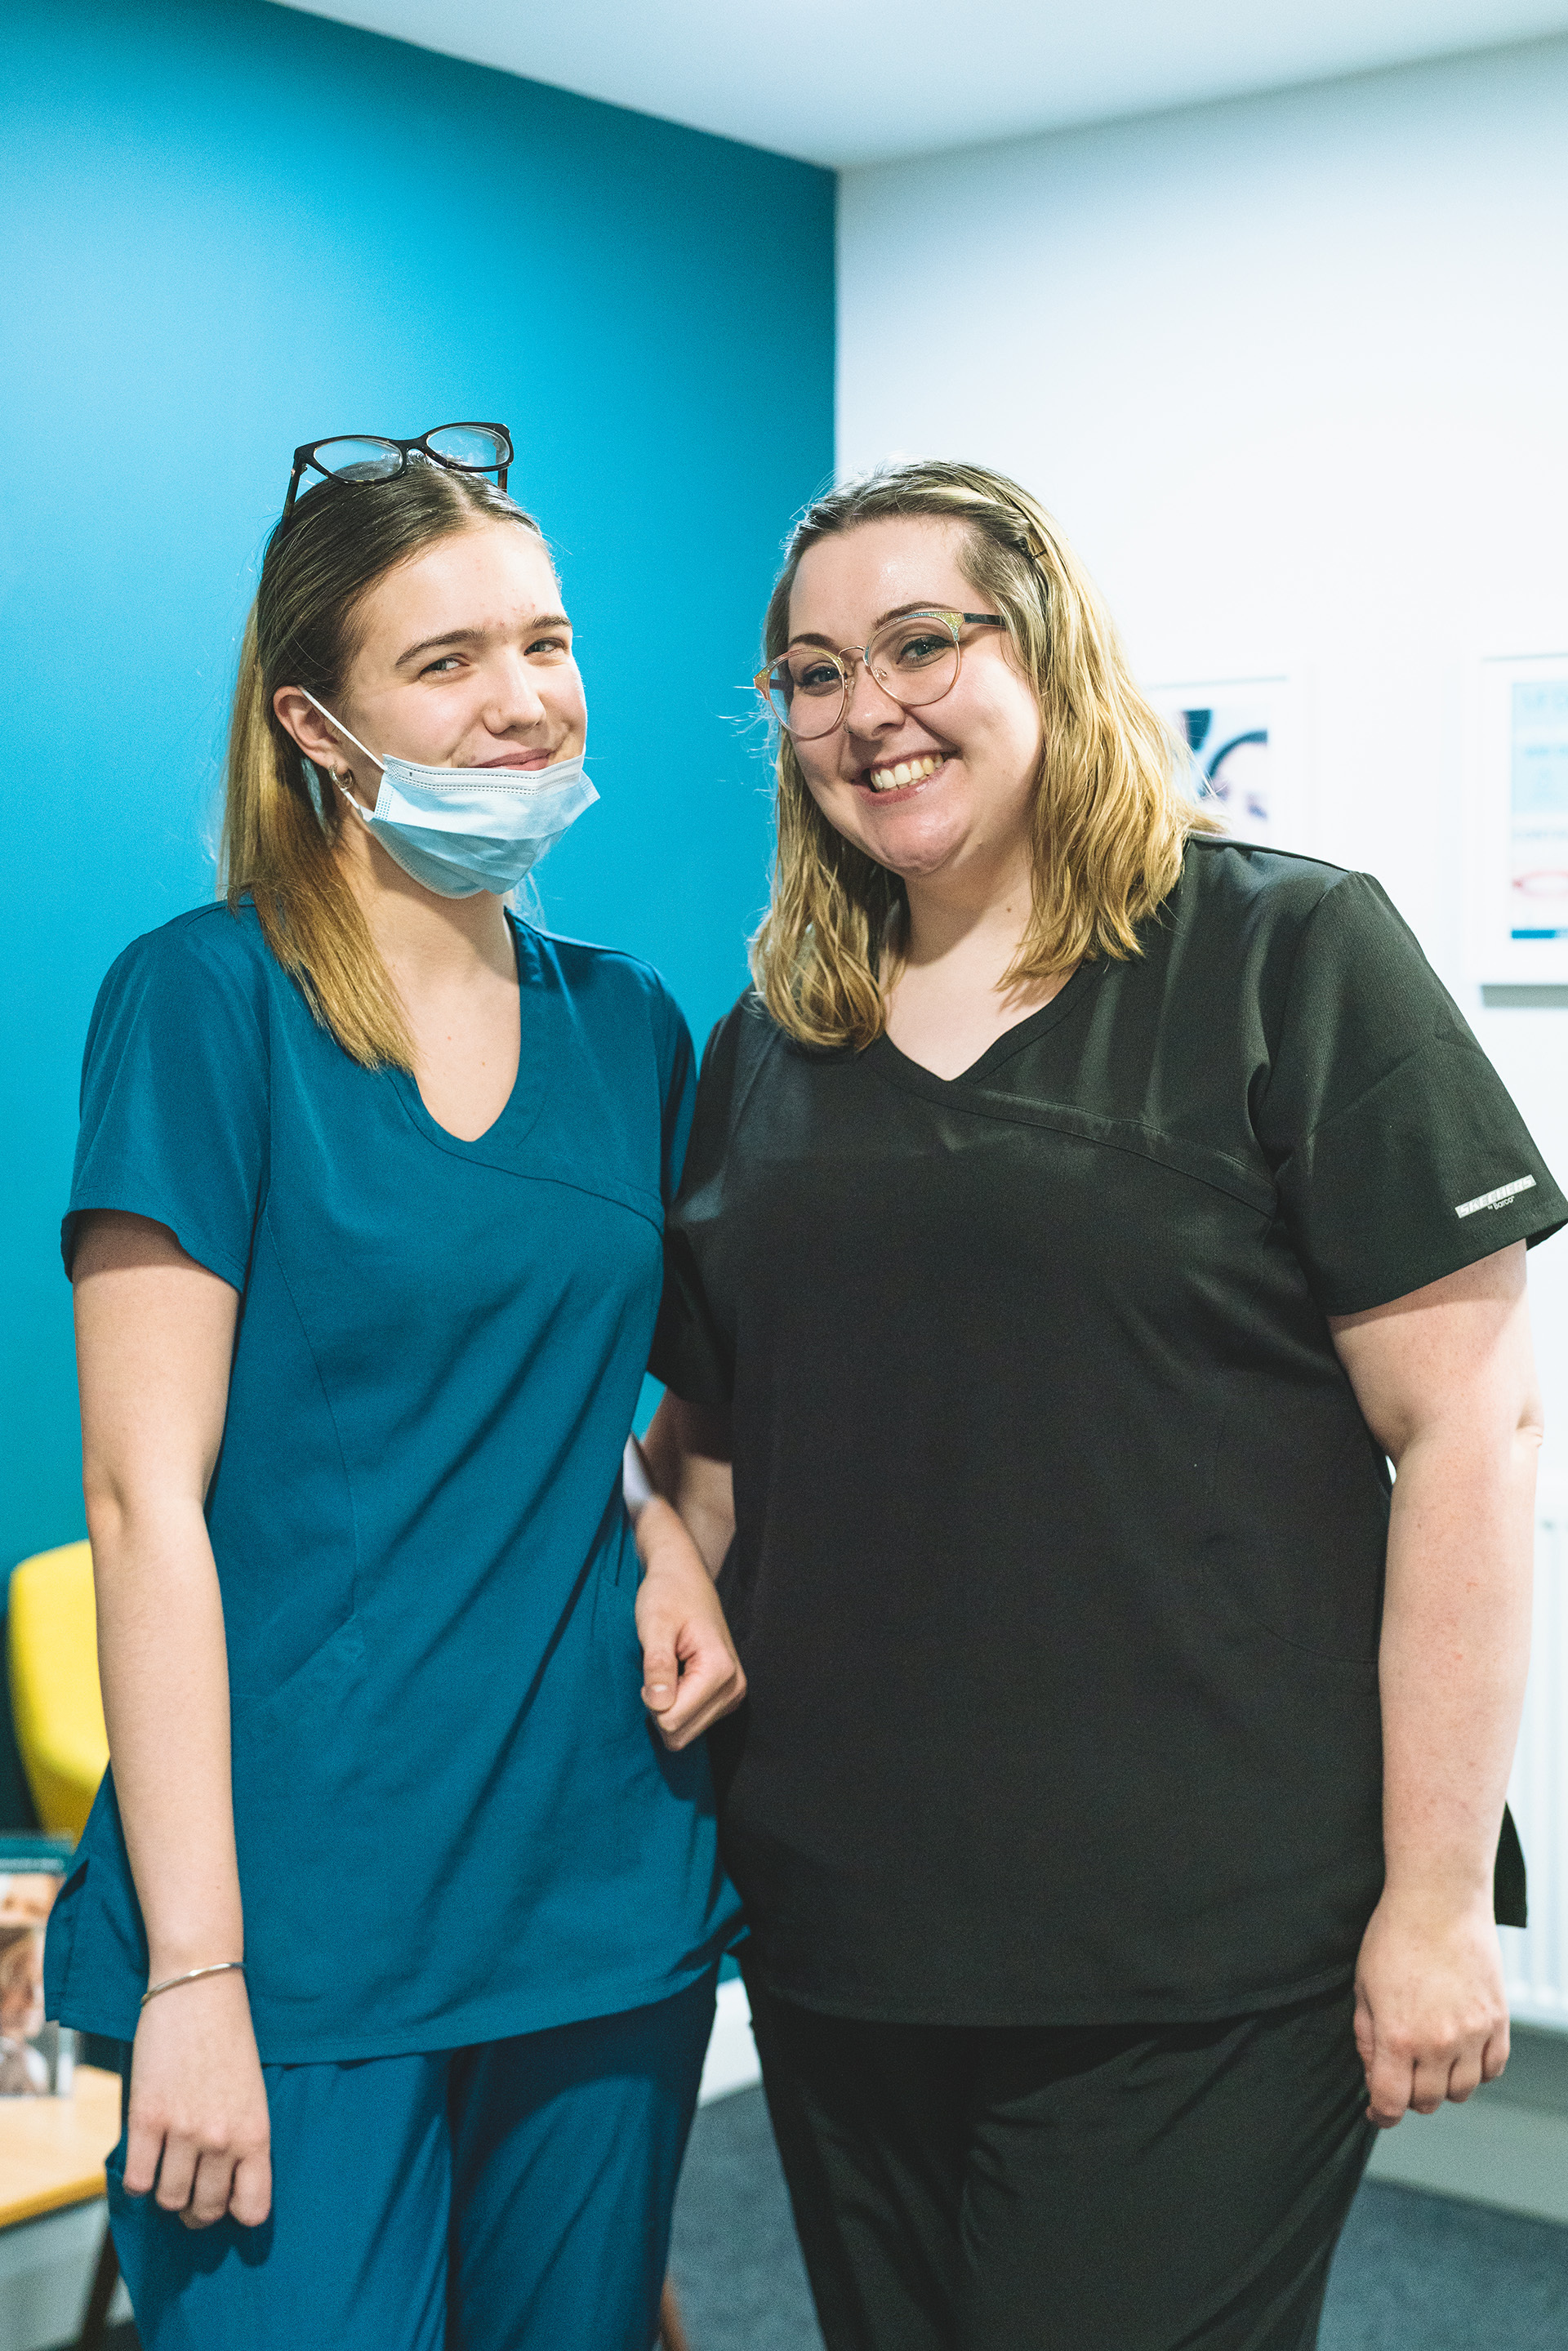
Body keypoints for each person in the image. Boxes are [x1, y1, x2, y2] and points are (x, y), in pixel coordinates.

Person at [639, 459, 1562, 2350]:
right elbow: (716, 1466)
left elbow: (1471, 1434)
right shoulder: (766, 1044)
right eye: (811, 676)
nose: (865, 710)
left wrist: (1432, 1897)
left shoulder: (1285, 955)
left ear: (1045, 646)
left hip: (1201, 1950)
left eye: (919, 644)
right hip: (846, 1932)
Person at [49, 425, 744, 2349]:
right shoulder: (204, 1004)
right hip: (295, 1917)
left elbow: (601, 1394)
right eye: (445, 662)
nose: (523, 702)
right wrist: (198, 1975)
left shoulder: (630, 1027)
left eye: (546, 639)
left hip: (597, 1880)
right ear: (317, 726)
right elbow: (141, 1502)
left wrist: (660, 1535)